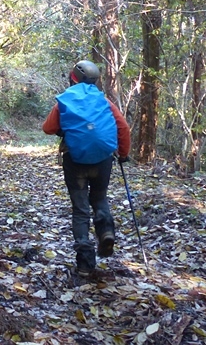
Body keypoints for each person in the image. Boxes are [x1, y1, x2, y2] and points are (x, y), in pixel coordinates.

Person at [42, 60, 130, 277]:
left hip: (75, 161)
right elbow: (123, 127)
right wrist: (124, 154)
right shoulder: (104, 101)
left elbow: (48, 128)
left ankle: (84, 264)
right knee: (99, 199)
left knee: (80, 209)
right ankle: (106, 232)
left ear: (73, 77)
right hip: (103, 161)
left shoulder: (65, 101)